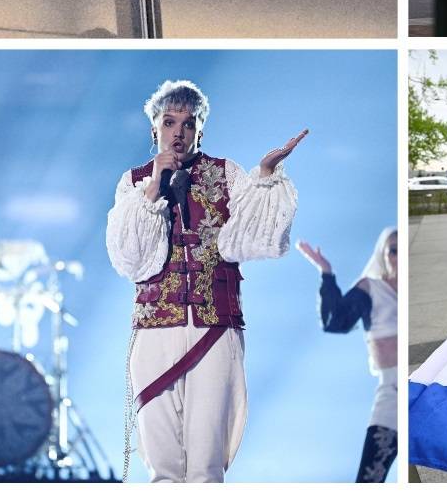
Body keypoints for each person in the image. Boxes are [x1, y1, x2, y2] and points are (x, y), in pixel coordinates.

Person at [105, 79, 304, 483]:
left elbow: (254, 236)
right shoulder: (134, 181)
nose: (179, 132)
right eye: (170, 122)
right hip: (155, 331)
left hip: (214, 330)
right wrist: (152, 193)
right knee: (163, 466)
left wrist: (265, 175)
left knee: (205, 465)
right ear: (155, 129)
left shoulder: (225, 173)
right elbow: (130, 258)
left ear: (200, 130)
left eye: (189, 124)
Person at [296, 229, 398, 483]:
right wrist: (327, 273)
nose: (397, 256)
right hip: (392, 392)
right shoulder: (371, 287)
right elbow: (335, 321)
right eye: (392, 250)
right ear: (383, 256)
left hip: (420, 382)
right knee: (370, 479)